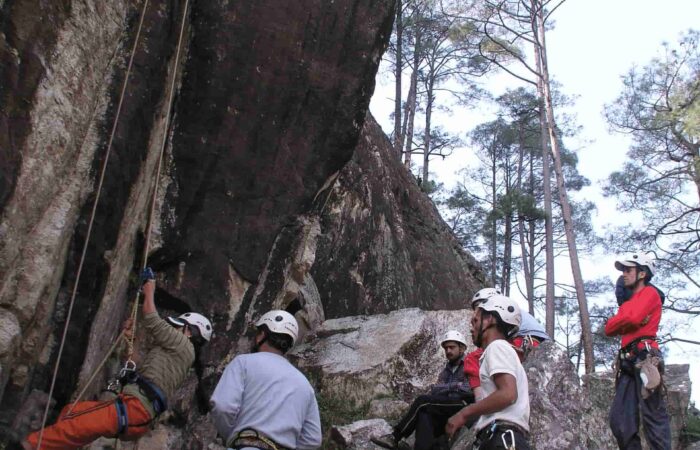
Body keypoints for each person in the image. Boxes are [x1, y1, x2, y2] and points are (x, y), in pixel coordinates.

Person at [22, 269, 212, 450]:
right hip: (135, 412)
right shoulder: (177, 355)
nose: (177, 330)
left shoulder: (183, 344)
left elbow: (151, 319)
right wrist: (130, 338)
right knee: (72, 413)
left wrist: (149, 289)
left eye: (181, 327)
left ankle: (25, 447)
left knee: (75, 425)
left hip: (135, 408)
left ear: (190, 331)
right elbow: (139, 365)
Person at [210, 310, 322, 450]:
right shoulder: (304, 384)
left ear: (261, 336)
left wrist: (233, 436)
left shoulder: (243, 363)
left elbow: (223, 406)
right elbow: (313, 439)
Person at [605, 253, 671, 450]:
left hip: (645, 358)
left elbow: (631, 320)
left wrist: (623, 321)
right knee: (620, 421)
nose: (623, 274)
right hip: (627, 362)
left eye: (628, 270)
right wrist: (623, 320)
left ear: (642, 273)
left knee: (653, 417)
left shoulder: (650, 294)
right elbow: (609, 329)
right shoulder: (628, 303)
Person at [446, 294, 530, 450]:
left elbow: (508, 394)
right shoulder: (503, 350)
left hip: (502, 439)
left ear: (490, 319)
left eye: (475, 321)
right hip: (502, 438)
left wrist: (464, 413)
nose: (471, 328)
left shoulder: (497, 347)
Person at [370, 330, 475, 450]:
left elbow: (467, 390)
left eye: (452, 347)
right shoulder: (446, 370)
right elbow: (435, 390)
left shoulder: (469, 363)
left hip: (462, 404)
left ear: (461, 348)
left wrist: (447, 387)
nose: (448, 351)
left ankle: (395, 436)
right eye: (446, 348)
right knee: (424, 414)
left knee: (423, 401)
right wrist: (454, 386)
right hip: (446, 404)